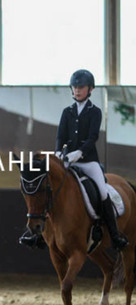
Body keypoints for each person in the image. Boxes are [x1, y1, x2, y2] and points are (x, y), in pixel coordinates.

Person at [56, 69, 128, 250]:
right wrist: (58, 152)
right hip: (68, 161)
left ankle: (114, 236)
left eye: (81, 87)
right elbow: (60, 136)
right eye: (75, 87)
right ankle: (41, 234)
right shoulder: (67, 112)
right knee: (51, 186)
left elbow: (93, 137)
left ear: (90, 89)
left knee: (103, 192)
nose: (77, 90)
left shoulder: (95, 112)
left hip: (88, 161)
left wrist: (79, 152)